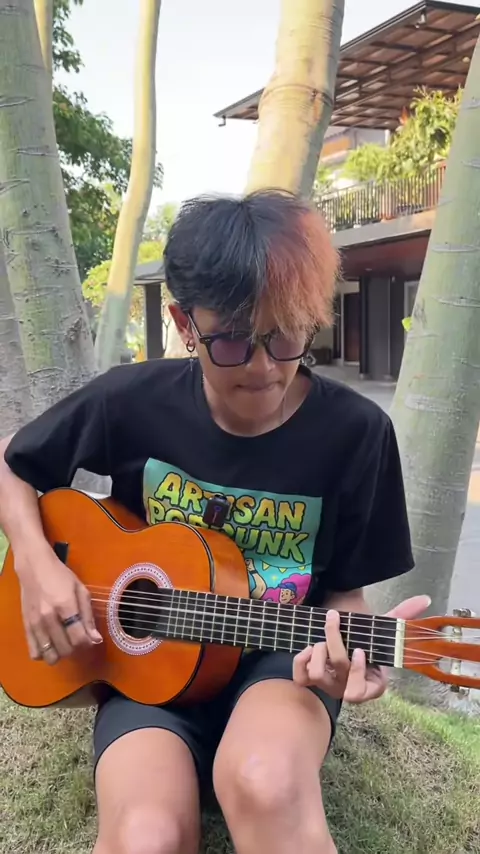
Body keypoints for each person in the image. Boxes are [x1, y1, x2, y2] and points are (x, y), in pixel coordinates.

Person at [0, 190, 427, 854]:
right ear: (184, 322)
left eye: (286, 335)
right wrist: (36, 565)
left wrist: (347, 662)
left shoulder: (357, 433)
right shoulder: (130, 401)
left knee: (264, 784)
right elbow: (13, 463)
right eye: (231, 339)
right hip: (145, 674)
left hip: (280, 664)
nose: (264, 367)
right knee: (145, 836)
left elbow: (346, 593)